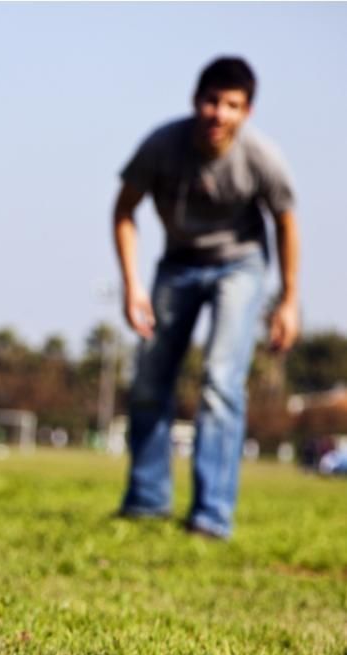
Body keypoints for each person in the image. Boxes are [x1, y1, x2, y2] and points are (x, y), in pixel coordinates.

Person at [112, 57, 300, 539]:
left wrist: (288, 299)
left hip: (240, 266)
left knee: (220, 379)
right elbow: (125, 211)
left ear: (247, 111)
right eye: (212, 101)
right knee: (151, 377)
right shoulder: (163, 145)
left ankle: (212, 515)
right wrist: (132, 285)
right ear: (196, 101)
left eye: (232, 105)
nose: (219, 113)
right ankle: (147, 501)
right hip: (177, 264)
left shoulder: (261, 157)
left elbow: (285, 223)